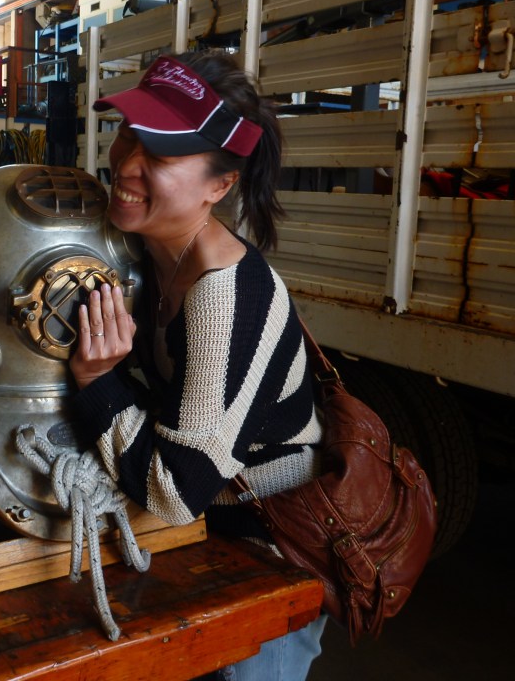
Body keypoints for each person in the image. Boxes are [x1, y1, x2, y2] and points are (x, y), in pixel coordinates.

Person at [69, 51, 327, 680]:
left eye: (159, 155)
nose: (127, 165)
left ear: (220, 185)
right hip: (198, 537)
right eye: (128, 135)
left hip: (265, 549)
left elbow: (175, 492)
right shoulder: (136, 251)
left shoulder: (226, 294)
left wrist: (96, 382)